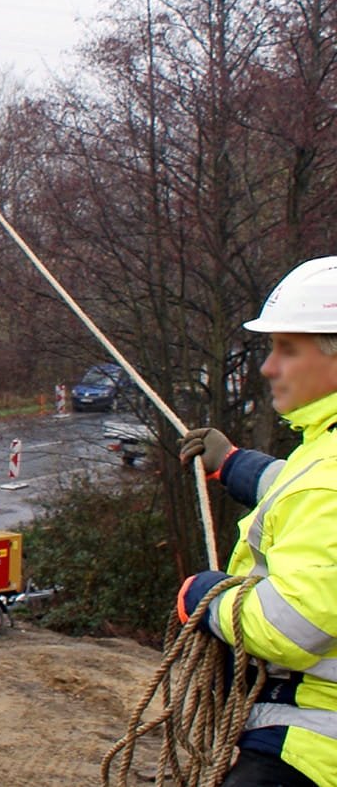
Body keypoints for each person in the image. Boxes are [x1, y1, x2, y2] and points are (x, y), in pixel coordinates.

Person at [176, 257, 337, 787]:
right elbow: (299, 499)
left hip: (312, 740)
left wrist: (208, 597)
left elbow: (291, 626)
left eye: (287, 349)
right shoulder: (322, 456)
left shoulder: (326, 477)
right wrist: (234, 464)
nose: (268, 367)